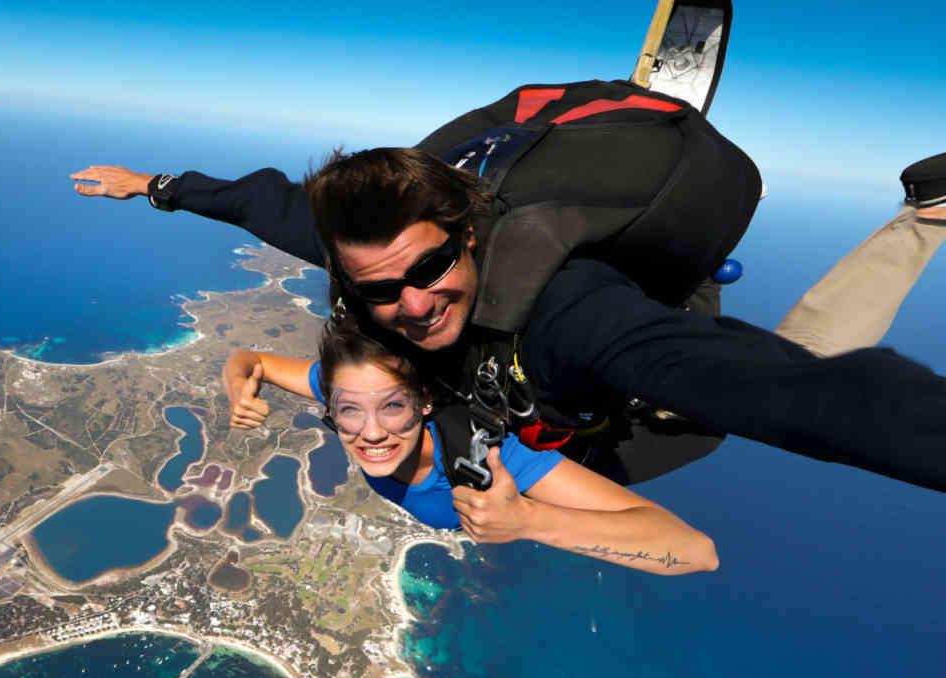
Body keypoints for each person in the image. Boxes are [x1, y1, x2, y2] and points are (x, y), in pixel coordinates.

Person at [73, 83, 946, 492]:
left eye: (431, 270)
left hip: (624, 393)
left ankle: (926, 218)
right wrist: (155, 186)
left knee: (750, 388)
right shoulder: (359, 257)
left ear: (469, 236)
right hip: (550, 406)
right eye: (383, 290)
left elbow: (789, 393)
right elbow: (262, 202)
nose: (412, 303)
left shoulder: (568, 311)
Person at [222, 311, 717, 575]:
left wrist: (528, 521)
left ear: (426, 403)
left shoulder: (490, 458)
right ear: (330, 403)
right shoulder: (349, 387)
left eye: (393, 407)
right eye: (349, 410)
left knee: (710, 415)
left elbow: (696, 551)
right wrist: (236, 389)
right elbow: (249, 360)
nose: (370, 431)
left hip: (612, 446)